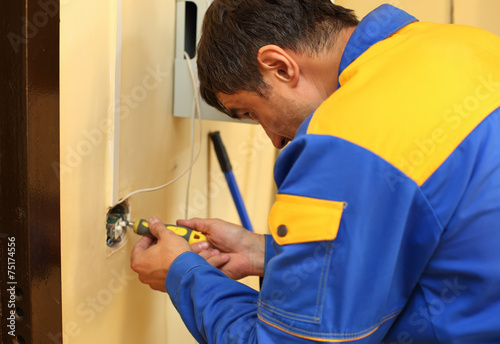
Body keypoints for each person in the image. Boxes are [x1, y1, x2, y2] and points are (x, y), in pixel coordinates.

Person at [131, 1, 500, 342]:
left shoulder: (344, 142)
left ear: (280, 66)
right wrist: (265, 251)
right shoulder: (465, 44)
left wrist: (183, 274)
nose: (275, 140)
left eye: (250, 112)